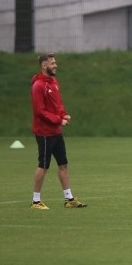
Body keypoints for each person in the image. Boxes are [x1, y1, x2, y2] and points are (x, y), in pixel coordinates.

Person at [30, 53, 87, 210]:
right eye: (52, 63)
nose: (55, 65)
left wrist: (63, 115)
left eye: (55, 63)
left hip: (56, 131)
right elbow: (39, 111)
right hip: (44, 132)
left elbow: (58, 104)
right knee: (43, 165)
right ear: (44, 66)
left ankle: (69, 199)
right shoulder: (38, 86)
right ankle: (35, 201)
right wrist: (57, 120)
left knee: (63, 164)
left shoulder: (54, 82)